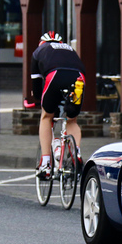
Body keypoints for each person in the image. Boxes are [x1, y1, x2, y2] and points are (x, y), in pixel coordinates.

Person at [32, 31, 87, 178]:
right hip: (78, 78)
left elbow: (36, 85)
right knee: (72, 119)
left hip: (55, 75)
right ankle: (76, 153)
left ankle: (45, 164)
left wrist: (39, 101)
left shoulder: (39, 51)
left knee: (46, 117)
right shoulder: (70, 49)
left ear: (41, 43)